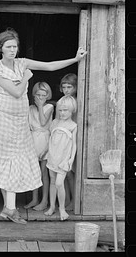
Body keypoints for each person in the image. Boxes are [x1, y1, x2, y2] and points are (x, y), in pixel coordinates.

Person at [0, 27, 87, 224]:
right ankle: (10, 208)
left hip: (19, 120)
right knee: (6, 158)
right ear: (0, 48)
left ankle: (10, 208)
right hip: (2, 119)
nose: (13, 50)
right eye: (8, 47)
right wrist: (26, 78)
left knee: (17, 158)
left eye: (15, 46)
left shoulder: (22, 63)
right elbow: (15, 92)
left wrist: (75, 60)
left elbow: (49, 66)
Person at [44, 95, 77, 221]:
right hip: (53, 156)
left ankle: (62, 208)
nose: (62, 113)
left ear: (72, 110)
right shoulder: (54, 122)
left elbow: (74, 145)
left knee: (59, 183)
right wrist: (47, 153)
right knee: (52, 181)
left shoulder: (73, 126)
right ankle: (52, 206)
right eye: (60, 110)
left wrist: (70, 159)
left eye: (65, 110)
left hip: (63, 159)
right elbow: (51, 139)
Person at [24, 82, 54, 211]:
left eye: (44, 95)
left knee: (43, 173)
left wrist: (41, 106)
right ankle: (34, 199)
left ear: (48, 96)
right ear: (34, 95)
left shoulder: (49, 107)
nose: (41, 98)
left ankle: (44, 201)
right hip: (32, 140)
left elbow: (42, 122)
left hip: (45, 140)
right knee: (33, 173)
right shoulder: (30, 108)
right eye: (38, 95)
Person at [59, 73, 77, 211]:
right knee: (64, 172)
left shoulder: (76, 102)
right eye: (64, 87)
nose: (66, 90)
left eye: (69, 87)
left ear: (75, 87)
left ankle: (74, 200)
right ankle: (67, 199)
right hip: (62, 140)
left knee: (71, 172)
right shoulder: (62, 101)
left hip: (73, 138)